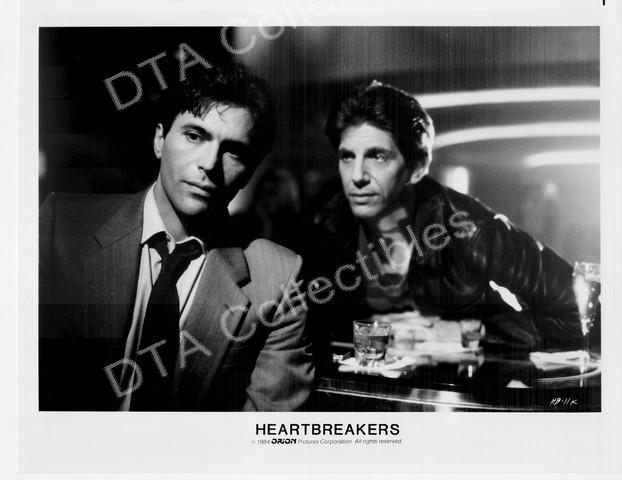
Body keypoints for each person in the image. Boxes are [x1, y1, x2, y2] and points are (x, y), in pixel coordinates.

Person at [39, 62, 314, 411]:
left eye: (233, 150)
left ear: (250, 172)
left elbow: (267, 430)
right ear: (159, 140)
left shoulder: (277, 276)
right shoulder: (61, 227)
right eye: (195, 136)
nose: (209, 164)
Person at [305, 80, 582, 359]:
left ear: (416, 168)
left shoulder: (469, 228)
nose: (356, 176)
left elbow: (586, 314)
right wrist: (373, 327)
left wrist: (469, 331)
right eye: (347, 157)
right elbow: (298, 326)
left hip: (462, 382)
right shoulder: (323, 225)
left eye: (378, 156)